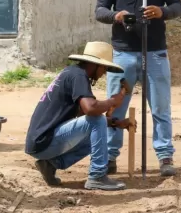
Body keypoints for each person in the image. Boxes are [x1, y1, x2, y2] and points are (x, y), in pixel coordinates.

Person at [95, 0, 181, 177]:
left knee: (160, 106)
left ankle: (165, 156)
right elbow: (99, 10)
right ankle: (110, 156)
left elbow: (178, 5)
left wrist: (162, 12)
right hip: (123, 53)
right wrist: (116, 15)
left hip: (155, 52)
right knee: (115, 105)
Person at [25, 41, 135, 191]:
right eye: (104, 68)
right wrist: (113, 101)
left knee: (97, 126)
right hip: (44, 140)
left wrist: (116, 122)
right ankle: (97, 176)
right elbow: (90, 110)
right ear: (95, 65)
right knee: (96, 120)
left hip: (40, 142)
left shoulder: (72, 73)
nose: (103, 74)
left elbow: (83, 114)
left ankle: (50, 164)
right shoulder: (78, 75)